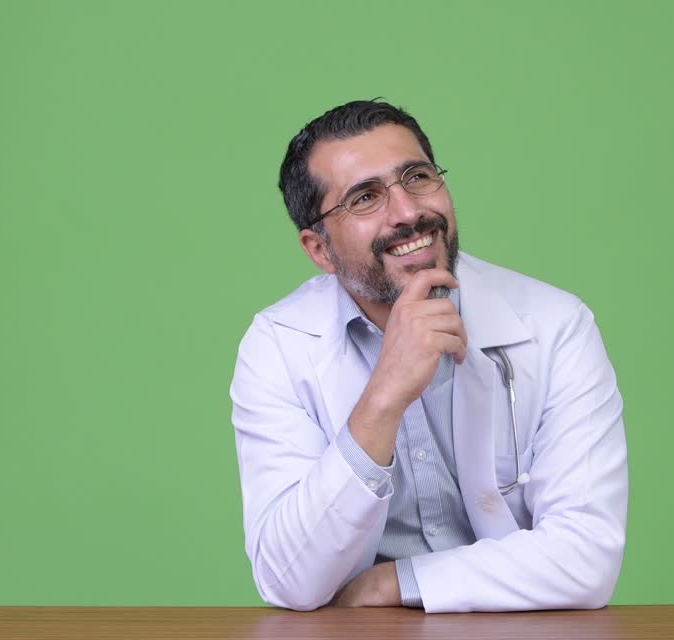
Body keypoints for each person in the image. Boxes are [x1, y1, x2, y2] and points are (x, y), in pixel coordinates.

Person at [230, 100, 628, 613]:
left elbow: (587, 557)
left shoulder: (556, 326)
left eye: (416, 177)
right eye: (365, 198)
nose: (408, 212)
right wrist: (383, 397)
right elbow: (288, 578)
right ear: (319, 249)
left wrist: (397, 582)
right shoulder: (278, 345)